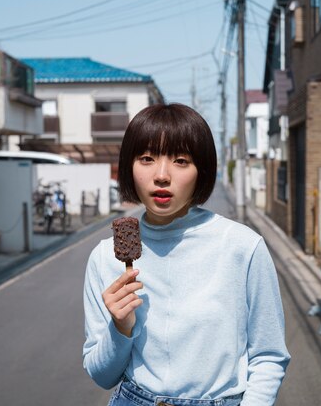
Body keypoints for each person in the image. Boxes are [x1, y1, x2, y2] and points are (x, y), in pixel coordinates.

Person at [83, 103, 290, 406]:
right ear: (129, 166)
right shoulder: (104, 258)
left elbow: (269, 356)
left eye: (180, 160)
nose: (162, 175)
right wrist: (120, 328)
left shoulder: (242, 247)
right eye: (146, 159)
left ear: (201, 170)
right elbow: (102, 376)